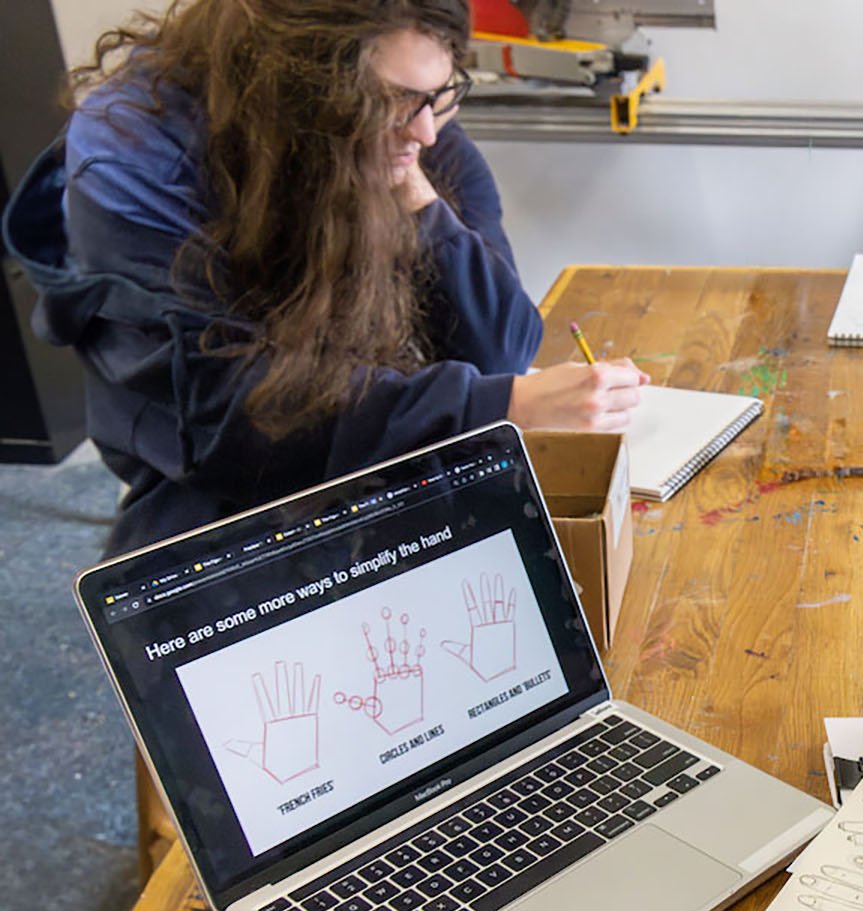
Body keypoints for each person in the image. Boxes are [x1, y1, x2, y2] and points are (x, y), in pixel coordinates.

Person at [2, 0, 644, 555]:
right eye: (391, 102)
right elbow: (229, 412)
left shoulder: (411, 117)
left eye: (441, 94)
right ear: (296, 84)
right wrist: (498, 404)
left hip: (379, 433)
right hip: (217, 476)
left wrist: (415, 196)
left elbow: (501, 345)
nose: (424, 130)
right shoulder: (135, 151)